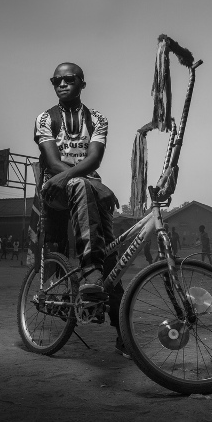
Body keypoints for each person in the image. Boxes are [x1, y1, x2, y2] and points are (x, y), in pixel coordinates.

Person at [34, 62, 127, 357]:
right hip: (55, 189)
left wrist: (92, 183)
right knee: (80, 185)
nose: (62, 84)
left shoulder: (97, 119)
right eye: (56, 80)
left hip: (88, 187)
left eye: (69, 79)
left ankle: (123, 332)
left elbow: (94, 159)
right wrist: (89, 182)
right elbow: (52, 162)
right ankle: (89, 271)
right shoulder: (44, 118)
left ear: (82, 83)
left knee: (110, 256)